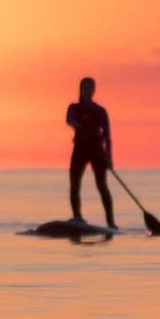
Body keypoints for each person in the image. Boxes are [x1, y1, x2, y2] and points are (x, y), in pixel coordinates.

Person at [65, 77, 115, 227]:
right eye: (85, 87)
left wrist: (108, 157)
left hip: (96, 151)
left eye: (90, 87)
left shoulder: (100, 111)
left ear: (94, 90)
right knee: (74, 185)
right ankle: (77, 218)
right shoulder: (74, 108)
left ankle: (111, 223)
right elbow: (69, 119)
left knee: (102, 186)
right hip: (80, 149)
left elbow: (107, 136)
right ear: (81, 89)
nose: (88, 90)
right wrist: (77, 124)